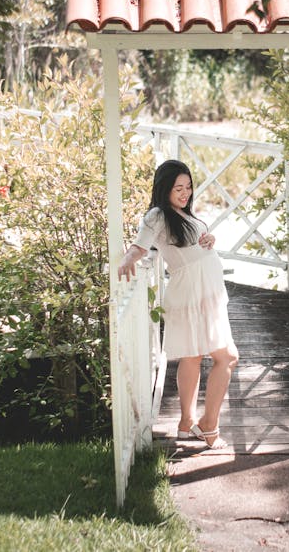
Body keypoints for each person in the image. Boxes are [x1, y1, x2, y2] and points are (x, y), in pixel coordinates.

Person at [118, 159, 239, 449]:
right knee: (227, 357)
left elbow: (193, 244)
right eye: (177, 189)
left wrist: (208, 238)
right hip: (192, 292)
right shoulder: (158, 215)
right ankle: (208, 426)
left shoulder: (181, 214)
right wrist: (126, 260)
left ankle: (186, 423)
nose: (184, 193)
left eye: (188, 187)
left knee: (193, 356)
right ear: (164, 189)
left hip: (204, 291)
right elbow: (140, 244)